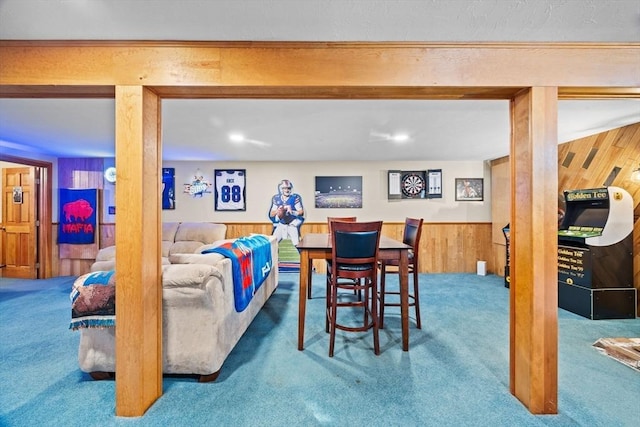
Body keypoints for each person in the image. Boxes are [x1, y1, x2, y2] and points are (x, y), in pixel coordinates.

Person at [269, 179, 304, 245]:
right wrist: (279, 210)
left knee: (297, 245)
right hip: (281, 224)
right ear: (281, 189)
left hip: (292, 224)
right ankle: (274, 255)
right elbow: (271, 214)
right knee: (272, 243)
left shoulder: (295, 197)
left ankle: (301, 255)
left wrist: (292, 212)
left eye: (288, 188)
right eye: (284, 188)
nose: (287, 190)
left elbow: (301, 212)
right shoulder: (276, 198)